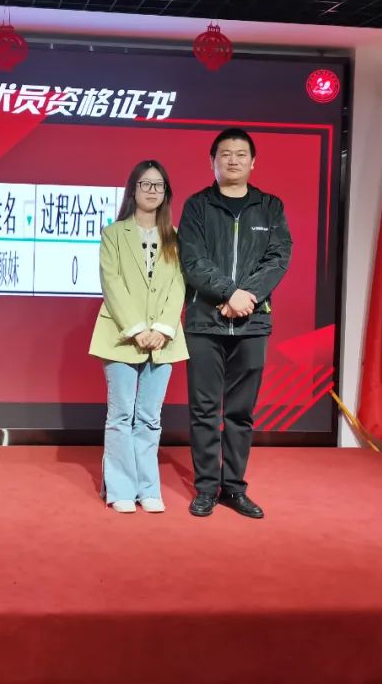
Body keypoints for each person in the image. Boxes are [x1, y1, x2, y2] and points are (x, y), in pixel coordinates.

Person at [178, 128, 292, 519]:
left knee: (240, 413)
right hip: (204, 323)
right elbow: (192, 260)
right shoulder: (197, 206)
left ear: (253, 162)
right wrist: (229, 293)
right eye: (225, 154)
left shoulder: (270, 206)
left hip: (252, 323)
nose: (233, 160)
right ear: (212, 161)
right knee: (204, 411)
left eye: (241, 154)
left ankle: (234, 488)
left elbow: (278, 257)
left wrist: (247, 297)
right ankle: (206, 488)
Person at [89, 160, 189, 513]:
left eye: (158, 185)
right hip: (121, 336)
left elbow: (179, 285)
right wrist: (137, 329)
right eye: (145, 184)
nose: (152, 190)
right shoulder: (113, 234)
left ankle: (148, 489)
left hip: (164, 340)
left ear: (166, 193)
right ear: (133, 189)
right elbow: (112, 284)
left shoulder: (176, 237)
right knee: (121, 415)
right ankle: (120, 489)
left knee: (149, 417)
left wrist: (162, 329)